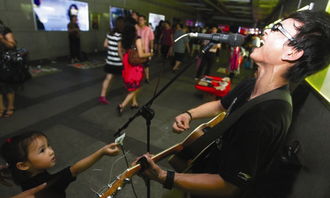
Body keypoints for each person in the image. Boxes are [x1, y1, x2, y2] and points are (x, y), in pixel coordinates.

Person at [134, 10, 330, 198]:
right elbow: (221, 105)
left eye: (278, 28)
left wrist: (162, 176)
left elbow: (228, 186)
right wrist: (190, 114)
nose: (267, 30)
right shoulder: (250, 84)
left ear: (293, 52)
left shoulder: (268, 115)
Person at [0, 131, 120, 197]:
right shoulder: (50, 184)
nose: (51, 151)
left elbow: (12, 166)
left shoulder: (22, 173)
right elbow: (75, 169)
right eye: (42, 150)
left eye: (48, 146)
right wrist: (102, 152)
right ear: (23, 165)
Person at [118, 23, 153, 115]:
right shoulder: (137, 39)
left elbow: (121, 52)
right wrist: (150, 54)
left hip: (127, 62)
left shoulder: (124, 40)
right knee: (137, 86)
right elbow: (141, 55)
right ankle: (122, 105)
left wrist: (124, 59)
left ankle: (134, 103)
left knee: (132, 85)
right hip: (135, 65)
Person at [98, 16, 125, 104]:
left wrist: (111, 48)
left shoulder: (109, 33)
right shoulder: (120, 36)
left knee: (108, 78)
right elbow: (119, 50)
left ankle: (102, 96)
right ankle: (130, 97)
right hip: (118, 62)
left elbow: (105, 45)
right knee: (126, 78)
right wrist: (123, 60)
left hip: (110, 61)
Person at [0, 19, 17, 118]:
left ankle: (10, 106)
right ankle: (1, 108)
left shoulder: (5, 30)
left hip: (5, 62)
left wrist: (2, 40)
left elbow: (12, 45)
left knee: (7, 85)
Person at [136, 15, 154, 83]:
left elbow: (151, 40)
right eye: (139, 20)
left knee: (146, 65)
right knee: (138, 65)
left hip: (146, 51)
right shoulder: (137, 29)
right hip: (138, 51)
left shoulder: (149, 30)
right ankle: (138, 78)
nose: (140, 21)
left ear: (145, 21)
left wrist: (151, 50)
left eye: (141, 20)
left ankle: (147, 78)